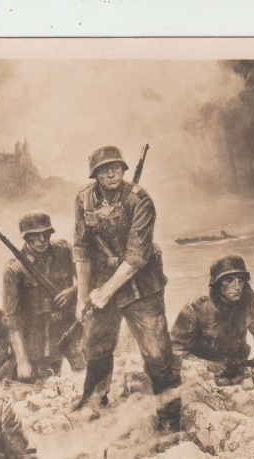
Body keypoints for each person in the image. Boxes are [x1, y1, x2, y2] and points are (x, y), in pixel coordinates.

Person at [73, 145, 180, 428]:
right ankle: (93, 404)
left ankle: (169, 416)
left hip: (142, 287)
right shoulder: (84, 198)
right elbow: (82, 249)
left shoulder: (139, 199)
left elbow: (136, 257)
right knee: (95, 346)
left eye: (116, 167)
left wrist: (105, 292)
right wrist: (82, 297)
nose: (112, 174)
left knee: (157, 354)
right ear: (95, 175)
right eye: (104, 170)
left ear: (123, 169)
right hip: (102, 284)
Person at [3, 211, 84, 381]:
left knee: (86, 375)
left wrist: (74, 290)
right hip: (40, 337)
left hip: (70, 327)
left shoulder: (64, 251)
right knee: (47, 383)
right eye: (35, 235)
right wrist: (22, 360)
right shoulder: (14, 269)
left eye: (46, 234)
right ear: (26, 237)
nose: (42, 240)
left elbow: (89, 278)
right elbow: (12, 319)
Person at [170, 255, 254, 381]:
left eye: (240, 279)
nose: (237, 286)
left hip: (236, 369)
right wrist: (206, 365)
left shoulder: (247, 297)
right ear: (216, 283)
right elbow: (176, 350)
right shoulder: (196, 307)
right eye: (228, 280)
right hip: (202, 373)